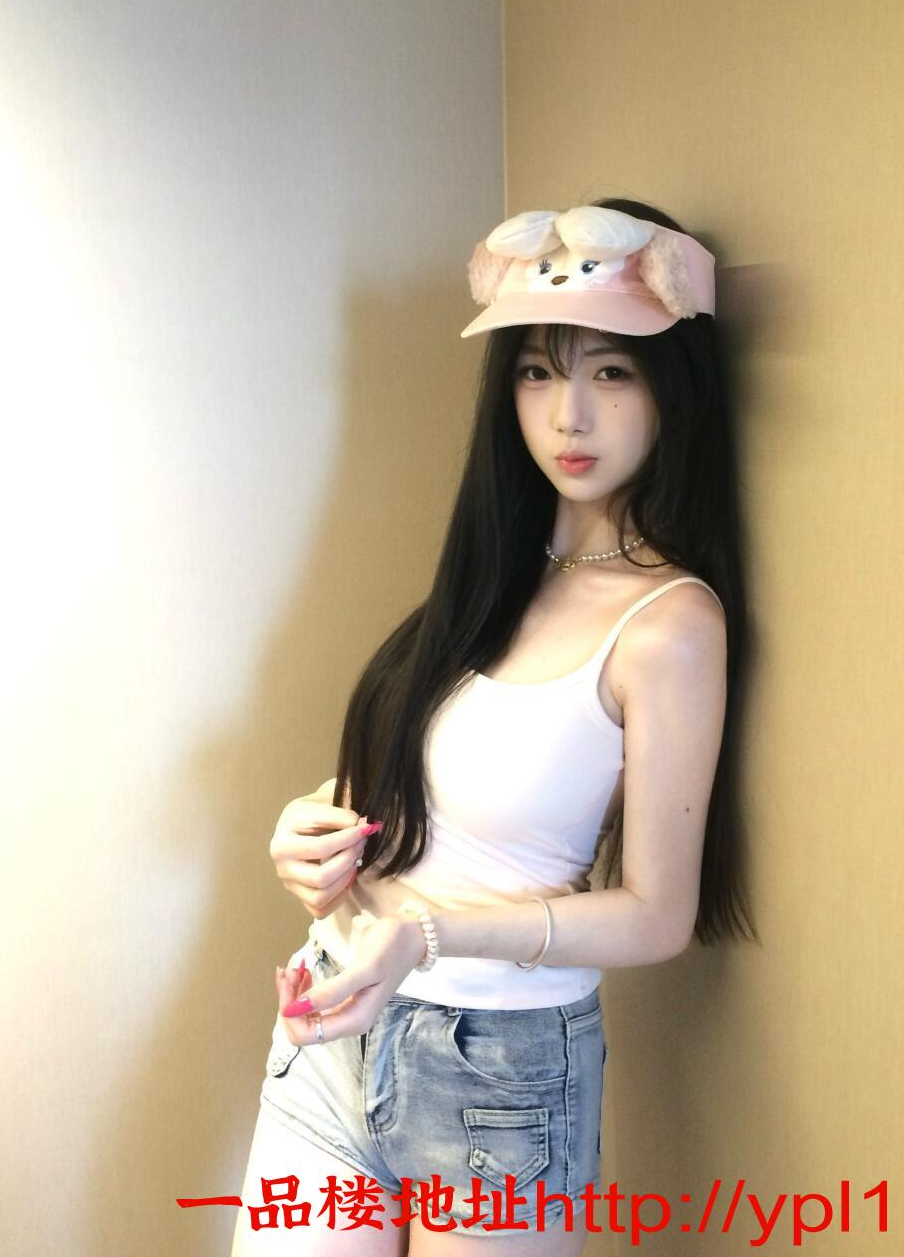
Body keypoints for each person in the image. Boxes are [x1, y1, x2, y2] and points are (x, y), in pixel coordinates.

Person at [230, 197, 755, 1256]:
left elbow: (658, 915)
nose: (569, 417)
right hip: (333, 1019)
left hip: (497, 1076)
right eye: (538, 372)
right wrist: (316, 823)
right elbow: (443, 791)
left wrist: (430, 935)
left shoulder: (670, 625)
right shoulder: (493, 576)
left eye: (612, 371)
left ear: (673, 385)